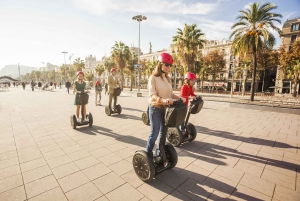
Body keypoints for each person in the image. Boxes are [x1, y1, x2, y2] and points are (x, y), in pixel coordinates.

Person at [146, 53, 185, 163]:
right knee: (154, 133)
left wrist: (180, 98)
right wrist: (163, 100)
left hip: (167, 110)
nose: (168, 67)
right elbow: (152, 95)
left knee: (163, 133)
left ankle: (160, 153)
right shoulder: (153, 78)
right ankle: (148, 156)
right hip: (156, 109)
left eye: (170, 65)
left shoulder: (167, 79)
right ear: (160, 64)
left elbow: (171, 95)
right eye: (166, 64)